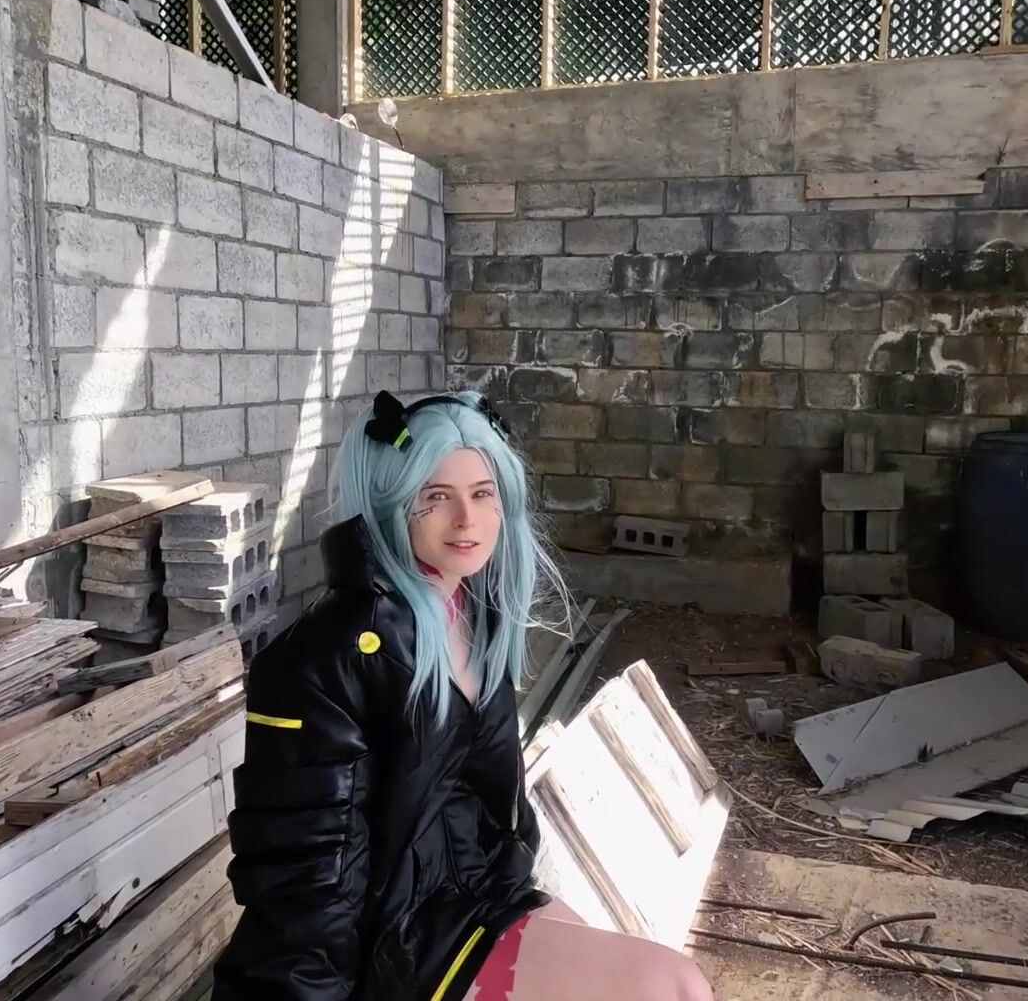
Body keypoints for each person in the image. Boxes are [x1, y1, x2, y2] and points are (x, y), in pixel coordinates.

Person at [213, 389, 714, 1001]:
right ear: (391, 505)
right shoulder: (326, 657)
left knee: (671, 981)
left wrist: (514, 880)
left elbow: (483, 801)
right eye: (435, 498)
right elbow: (306, 880)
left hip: (479, 897)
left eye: (482, 494)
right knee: (669, 986)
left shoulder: (474, 612)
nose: (466, 521)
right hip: (393, 946)